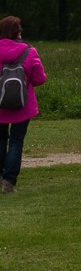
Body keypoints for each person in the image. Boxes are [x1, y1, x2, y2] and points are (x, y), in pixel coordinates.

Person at [0, 16, 49, 195]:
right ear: (18, 32)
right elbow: (39, 79)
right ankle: (9, 181)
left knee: (1, 139)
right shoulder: (29, 51)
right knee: (16, 141)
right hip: (23, 104)